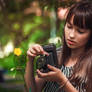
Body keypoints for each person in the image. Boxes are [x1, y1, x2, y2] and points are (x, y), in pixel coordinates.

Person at [25, 1, 92, 92]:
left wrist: (62, 80)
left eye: (80, 31)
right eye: (69, 26)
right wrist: (30, 59)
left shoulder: (89, 64)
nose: (71, 35)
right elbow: (31, 90)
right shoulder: (54, 55)